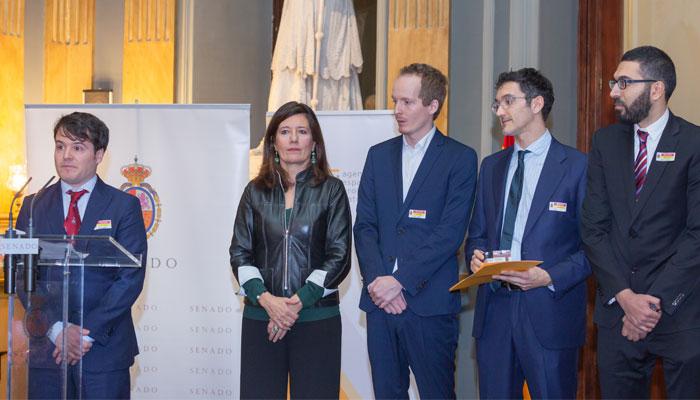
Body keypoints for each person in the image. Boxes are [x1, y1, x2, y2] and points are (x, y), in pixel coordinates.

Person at [582, 45, 700, 398]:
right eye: (614, 82)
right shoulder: (605, 142)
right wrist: (626, 298)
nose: (613, 91)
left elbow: (697, 234)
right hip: (617, 310)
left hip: (679, 311)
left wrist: (651, 304)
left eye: (624, 82)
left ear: (657, 88)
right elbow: (593, 228)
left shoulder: (694, 143)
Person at [354, 63, 477, 399]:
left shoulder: (460, 159)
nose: (397, 110)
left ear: (432, 105)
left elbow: (450, 233)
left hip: (429, 304)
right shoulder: (378, 156)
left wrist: (400, 281)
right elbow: (364, 226)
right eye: (396, 101)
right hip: (380, 304)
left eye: (407, 102)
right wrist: (381, 283)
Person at [466, 68, 589, 399]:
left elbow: (593, 249)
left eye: (508, 101)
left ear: (537, 104)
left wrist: (547, 276)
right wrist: (475, 257)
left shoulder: (577, 167)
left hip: (548, 311)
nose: (500, 111)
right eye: (497, 104)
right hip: (495, 312)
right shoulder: (491, 166)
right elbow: (477, 235)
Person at [15, 112, 148, 398]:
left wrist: (83, 334)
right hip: (48, 350)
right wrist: (56, 330)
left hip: (102, 348)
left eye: (78, 147)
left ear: (99, 154)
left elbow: (130, 278)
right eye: (60, 146)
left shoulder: (123, 206)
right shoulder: (33, 206)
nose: (66, 156)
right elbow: (23, 275)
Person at [229, 101, 352, 399]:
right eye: (285, 132)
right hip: (262, 319)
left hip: (316, 319)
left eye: (301, 131)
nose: (293, 139)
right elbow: (240, 253)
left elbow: (340, 255)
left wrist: (296, 303)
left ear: (314, 142)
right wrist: (268, 301)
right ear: (273, 143)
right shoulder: (254, 191)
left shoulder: (332, 190)